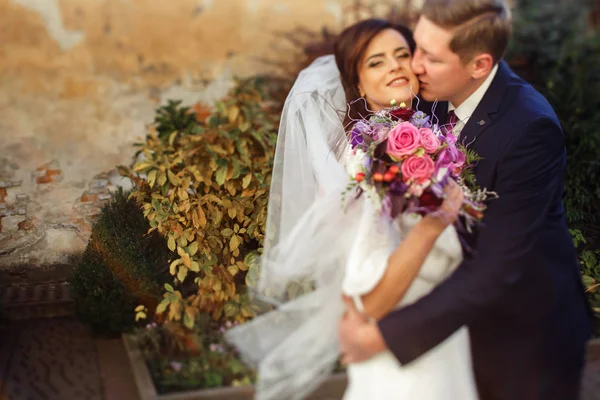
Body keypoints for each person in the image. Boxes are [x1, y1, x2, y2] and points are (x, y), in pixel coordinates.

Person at [337, 1, 593, 399]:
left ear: (479, 65)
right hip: (451, 330)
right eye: (415, 47)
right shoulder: (431, 96)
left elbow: (496, 267)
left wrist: (382, 337)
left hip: (524, 342)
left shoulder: (529, 130)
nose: (413, 66)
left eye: (430, 57)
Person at [227, 18, 478, 400]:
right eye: (376, 62)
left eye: (402, 55)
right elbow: (365, 294)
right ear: (358, 85)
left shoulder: (427, 136)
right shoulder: (366, 159)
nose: (394, 65)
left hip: (440, 338)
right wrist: (434, 225)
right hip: (402, 354)